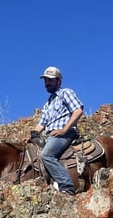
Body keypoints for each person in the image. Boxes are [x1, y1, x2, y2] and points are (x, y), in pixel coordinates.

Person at [30, 66, 84, 195]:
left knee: (46, 155)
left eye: (51, 80)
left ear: (59, 81)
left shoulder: (66, 93)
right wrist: (31, 135)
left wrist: (64, 129)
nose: (47, 83)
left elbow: (78, 110)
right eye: (45, 80)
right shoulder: (48, 103)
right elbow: (41, 124)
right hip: (50, 136)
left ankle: (67, 186)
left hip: (65, 134)